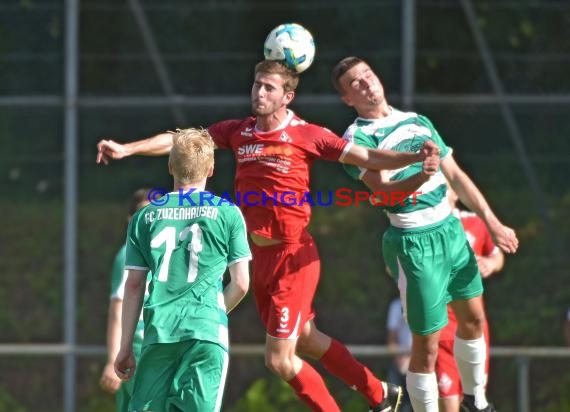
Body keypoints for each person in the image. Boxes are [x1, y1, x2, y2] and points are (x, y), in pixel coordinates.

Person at [98, 59, 440, 412]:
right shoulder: (239, 131)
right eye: (257, 84)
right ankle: (382, 394)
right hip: (258, 259)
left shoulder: (307, 134)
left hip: (293, 257)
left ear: (287, 96)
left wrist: (414, 155)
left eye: (269, 88)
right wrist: (128, 149)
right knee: (306, 341)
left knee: (278, 359)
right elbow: (182, 141)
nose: (259, 93)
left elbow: (366, 155)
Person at [332, 56, 518, 412]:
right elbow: (384, 194)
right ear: (347, 100)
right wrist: (421, 173)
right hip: (414, 241)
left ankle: (477, 403)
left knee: (474, 319)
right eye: (355, 83)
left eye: (368, 74)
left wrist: (493, 223)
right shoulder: (355, 139)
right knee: (427, 347)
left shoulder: (418, 121)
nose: (367, 83)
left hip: (450, 230)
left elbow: (457, 177)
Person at [114, 128, 251, 412]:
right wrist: (211, 315)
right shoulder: (228, 213)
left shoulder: (144, 216)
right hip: (205, 332)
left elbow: (134, 285)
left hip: (159, 332)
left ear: (170, 166)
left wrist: (125, 346)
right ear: (211, 168)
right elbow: (241, 284)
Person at [436, 186, 505, 411]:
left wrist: (490, 264)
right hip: (442, 329)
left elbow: (497, 255)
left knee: (476, 399)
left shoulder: (475, 222)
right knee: (448, 403)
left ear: (456, 193)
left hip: (475, 327)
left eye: (443, 187)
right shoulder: (424, 228)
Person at [99, 188, 151, 411]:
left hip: (156, 344)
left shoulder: (163, 252)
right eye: (142, 214)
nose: (148, 220)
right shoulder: (129, 254)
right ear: (131, 220)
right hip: (138, 347)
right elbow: (117, 307)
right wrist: (113, 359)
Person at [386, 293, 413, 412]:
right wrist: (400, 360)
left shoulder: (428, 305)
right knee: (391, 404)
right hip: (400, 363)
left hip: (422, 363)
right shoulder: (396, 305)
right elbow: (391, 338)